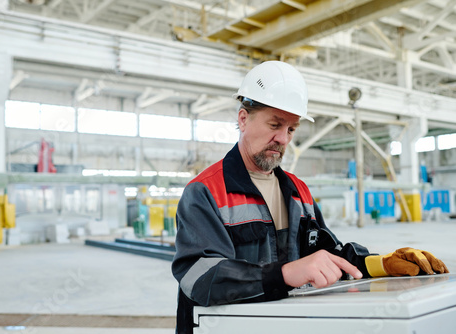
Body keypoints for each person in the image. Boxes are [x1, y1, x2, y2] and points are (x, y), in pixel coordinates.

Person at [171, 61, 449, 334]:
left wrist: (381, 264)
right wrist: (285, 274)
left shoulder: (298, 191)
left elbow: (327, 254)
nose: (283, 138)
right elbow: (200, 277)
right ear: (243, 119)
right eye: (274, 124)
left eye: (291, 129)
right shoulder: (206, 191)